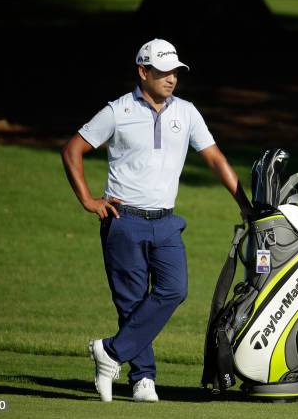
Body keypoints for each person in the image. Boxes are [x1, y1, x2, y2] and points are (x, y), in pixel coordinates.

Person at [61, 38, 252, 403]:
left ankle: (110, 352)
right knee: (131, 303)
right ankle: (142, 379)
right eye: (163, 72)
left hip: (166, 222)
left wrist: (242, 203)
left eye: (175, 72)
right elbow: (73, 150)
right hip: (124, 219)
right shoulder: (117, 111)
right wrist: (88, 200)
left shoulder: (187, 113)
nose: (171, 79)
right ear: (143, 71)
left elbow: (214, 158)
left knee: (174, 289)